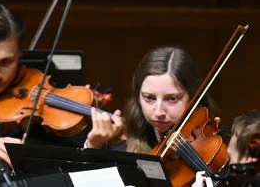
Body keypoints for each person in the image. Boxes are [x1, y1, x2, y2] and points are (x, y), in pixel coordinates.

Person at [0, 0, 86, 170]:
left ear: (21, 51)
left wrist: (95, 143)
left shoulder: (40, 100)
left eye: (6, 62)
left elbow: (70, 161)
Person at [86, 46, 216, 154]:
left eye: (171, 99)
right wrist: (93, 146)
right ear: (138, 96)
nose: (159, 112)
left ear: (192, 97)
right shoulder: (122, 147)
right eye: (149, 98)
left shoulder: (212, 144)